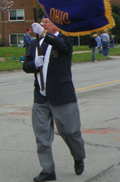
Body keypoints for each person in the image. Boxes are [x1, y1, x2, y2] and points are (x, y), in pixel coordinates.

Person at [23, 18, 85, 182]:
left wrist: (44, 34)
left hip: (62, 95)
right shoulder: (35, 43)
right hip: (41, 96)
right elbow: (26, 66)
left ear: (58, 24)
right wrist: (34, 65)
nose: (44, 23)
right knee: (42, 136)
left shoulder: (65, 39)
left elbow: (62, 47)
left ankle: (78, 157)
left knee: (70, 132)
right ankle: (48, 170)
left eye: (48, 21)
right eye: (42, 21)